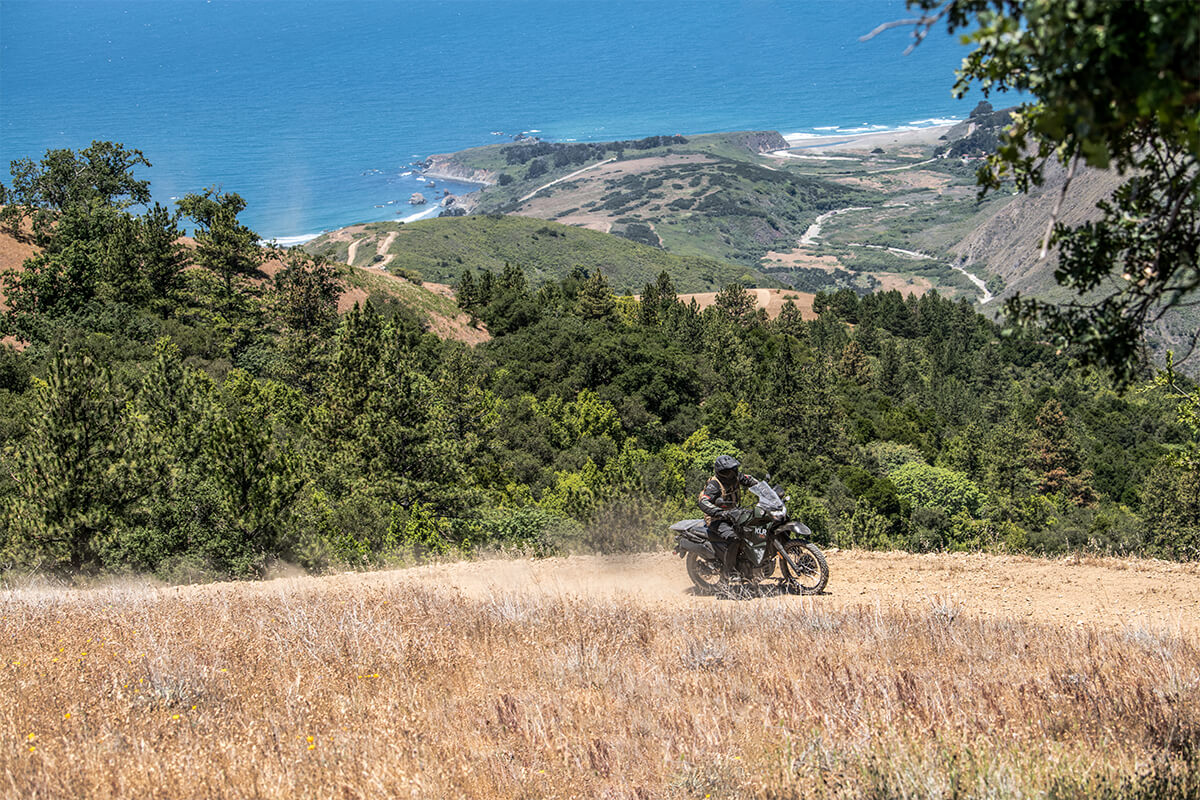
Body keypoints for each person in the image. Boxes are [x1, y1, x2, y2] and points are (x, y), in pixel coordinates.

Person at [697, 454, 759, 581]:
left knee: (754, 527)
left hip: (735, 514)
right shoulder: (714, 485)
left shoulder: (737, 477)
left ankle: (749, 565)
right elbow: (703, 501)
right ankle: (727, 573)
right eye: (728, 471)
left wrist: (766, 491)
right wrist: (719, 512)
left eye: (733, 469)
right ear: (722, 472)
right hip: (717, 518)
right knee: (734, 538)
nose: (732, 473)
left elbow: (752, 481)